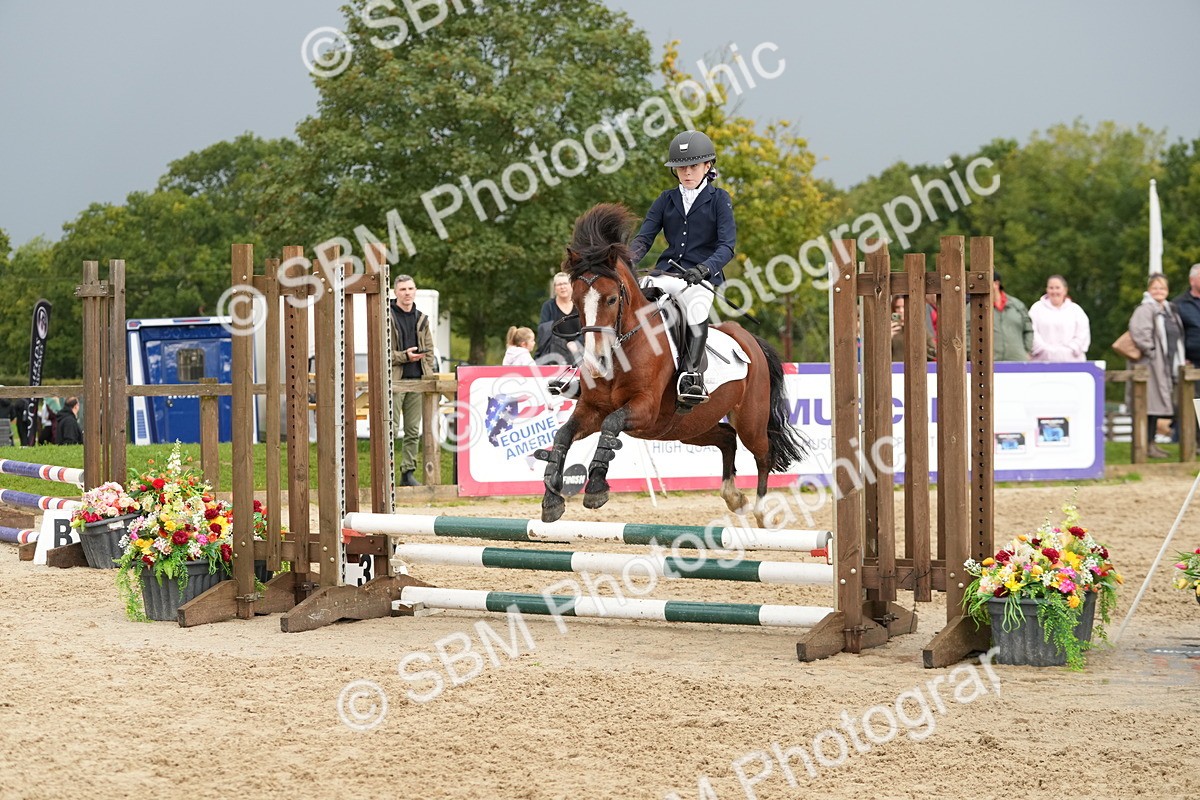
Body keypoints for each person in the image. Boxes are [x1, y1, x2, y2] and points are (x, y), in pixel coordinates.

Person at [629, 130, 736, 412]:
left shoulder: (719, 199)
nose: (687, 172)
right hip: (666, 272)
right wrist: (627, 258)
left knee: (697, 307)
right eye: (681, 167)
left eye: (693, 166)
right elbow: (644, 238)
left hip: (700, 277)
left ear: (707, 166)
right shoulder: (666, 199)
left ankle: (692, 376)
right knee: (628, 299)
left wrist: (704, 268)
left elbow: (727, 246)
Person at [1130, 274, 1185, 459]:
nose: (1158, 291)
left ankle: (1152, 443)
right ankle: (1144, 445)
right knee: (1147, 406)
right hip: (1151, 365)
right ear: (1149, 290)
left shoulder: (1170, 310)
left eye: (1162, 288)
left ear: (1167, 290)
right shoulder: (1146, 309)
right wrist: (1152, 352)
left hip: (1167, 365)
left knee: (1157, 406)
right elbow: (1139, 333)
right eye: (1155, 288)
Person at [389, 274, 436, 487]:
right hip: (394, 381)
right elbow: (382, 352)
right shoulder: (386, 316)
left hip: (417, 379)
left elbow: (430, 350)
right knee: (390, 428)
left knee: (412, 431)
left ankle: (407, 472)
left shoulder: (422, 318)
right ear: (395, 292)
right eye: (403, 289)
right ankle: (386, 472)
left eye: (410, 289)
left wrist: (427, 370)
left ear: (415, 290)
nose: (407, 293)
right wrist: (404, 356)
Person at [1029, 274, 1090, 362]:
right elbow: (1031, 331)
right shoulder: (1036, 308)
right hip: (1042, 362)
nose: (1054, 291)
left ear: (1065, 290)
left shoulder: (1076, 310)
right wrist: (1045, 350)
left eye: (1057, 288)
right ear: (1047, 290)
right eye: (1051, 288)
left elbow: (1082, 333)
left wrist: (1069, 350)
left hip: (1072, 362)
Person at [536, 272, 581, 366]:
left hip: (580, 349)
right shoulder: (548, 306)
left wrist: (577, 343)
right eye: (559, 284)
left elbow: (589, 328)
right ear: (555, 288)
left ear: (571, 285)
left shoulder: (580, 305)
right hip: (555, 350)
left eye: (565, 283)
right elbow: (545, 331)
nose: (562, 287)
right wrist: (563, 345)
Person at [992, 270, 1033, 361]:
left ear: (996, 283)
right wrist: (971, 354)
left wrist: (1026, 352)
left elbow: (1028, 330)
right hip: (987, 363)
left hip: (1018, 361)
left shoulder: (1017, 305)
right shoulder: (973, 308)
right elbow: (966, 331)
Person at [1172, 263, 1200, 383]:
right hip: (1192, 364)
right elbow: (1174, 334)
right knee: (1196, 401)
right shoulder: (1178, 304)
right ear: (1191, 280)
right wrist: (1181, 358)